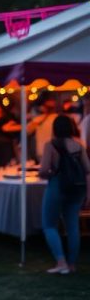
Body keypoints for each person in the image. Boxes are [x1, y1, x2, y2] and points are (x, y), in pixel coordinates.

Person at [38, 115, 90, 275]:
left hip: (57, 186)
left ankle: (61, 262)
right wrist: (88, 193)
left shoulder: (51, 145)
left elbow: (43, 171)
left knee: (49, 225)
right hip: (78, 189)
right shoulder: (79, 145)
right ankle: (72, 264)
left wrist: (50, 172)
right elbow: (87, 170)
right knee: (73, 226)